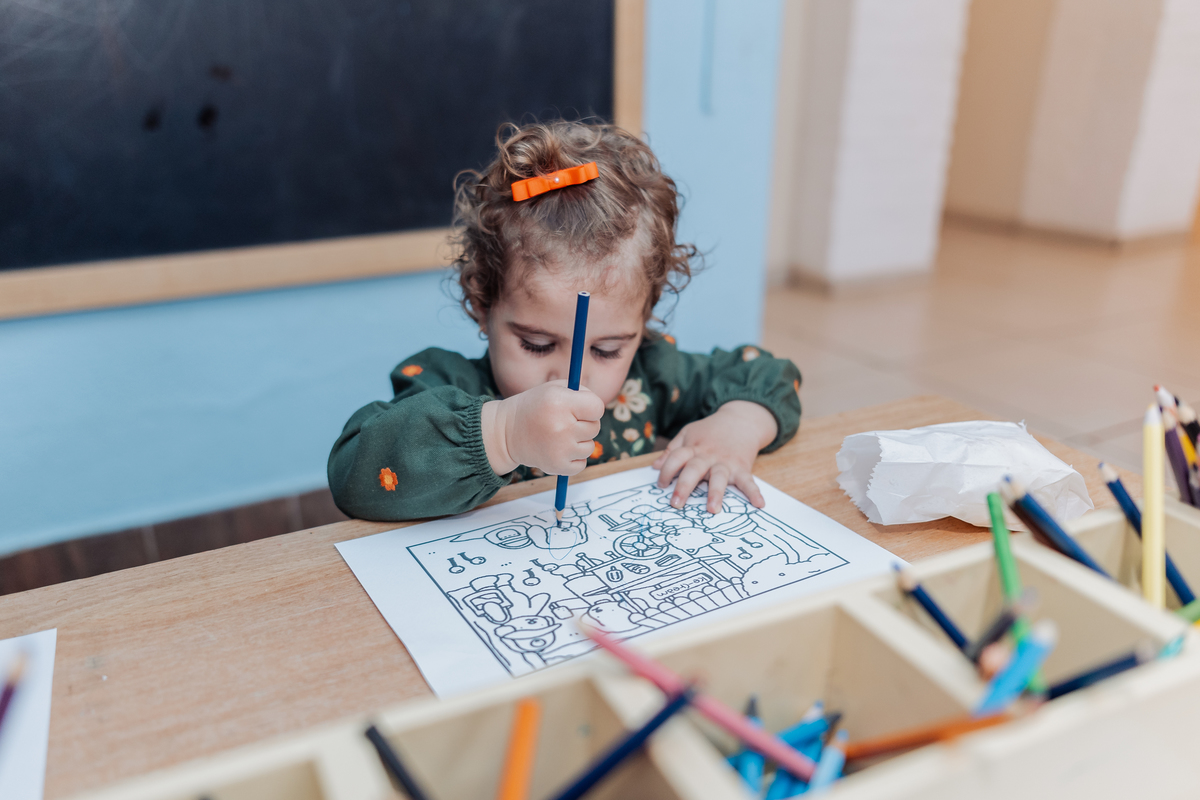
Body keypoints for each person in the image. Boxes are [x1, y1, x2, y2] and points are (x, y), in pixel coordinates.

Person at [328, 120, 802, 521]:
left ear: (644, 320)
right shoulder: (445, 386)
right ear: (482, 305)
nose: (569, 377)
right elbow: (354, 473)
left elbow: (768, 374)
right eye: (536, 344)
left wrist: (738, 424)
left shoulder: (652, 374)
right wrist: (502, 433)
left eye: (608, 349)